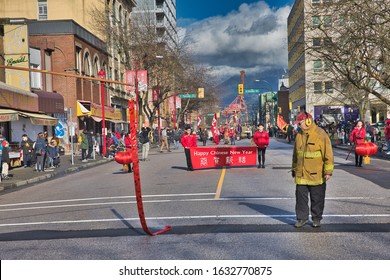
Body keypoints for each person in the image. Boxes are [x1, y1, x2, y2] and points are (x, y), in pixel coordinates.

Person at [292, 112, 334, 228]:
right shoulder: (299, 135)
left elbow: (328, 154)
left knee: (317, 198)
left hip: (317, 174)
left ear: (308, 121)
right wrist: (294, 169)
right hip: (301, 174)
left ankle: (316, 218)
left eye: (299, 123)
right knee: (300, 199)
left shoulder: (321, 134)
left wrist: (328, 172)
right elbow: (296, 155)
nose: (298, 126)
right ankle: (302, 218)